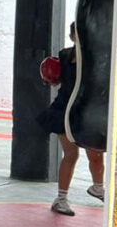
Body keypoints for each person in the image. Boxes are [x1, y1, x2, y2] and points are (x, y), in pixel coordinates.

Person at [37, 23, 105, 216]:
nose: (81, 37)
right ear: (72, 36)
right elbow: (58, 78)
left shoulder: (97, 56)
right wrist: (52, 77)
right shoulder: (65, 56)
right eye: (77, 34)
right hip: (64, 109)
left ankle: (98, 188)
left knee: (96, 154)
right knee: (71, 154)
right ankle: (61, 199)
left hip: (87, 112)